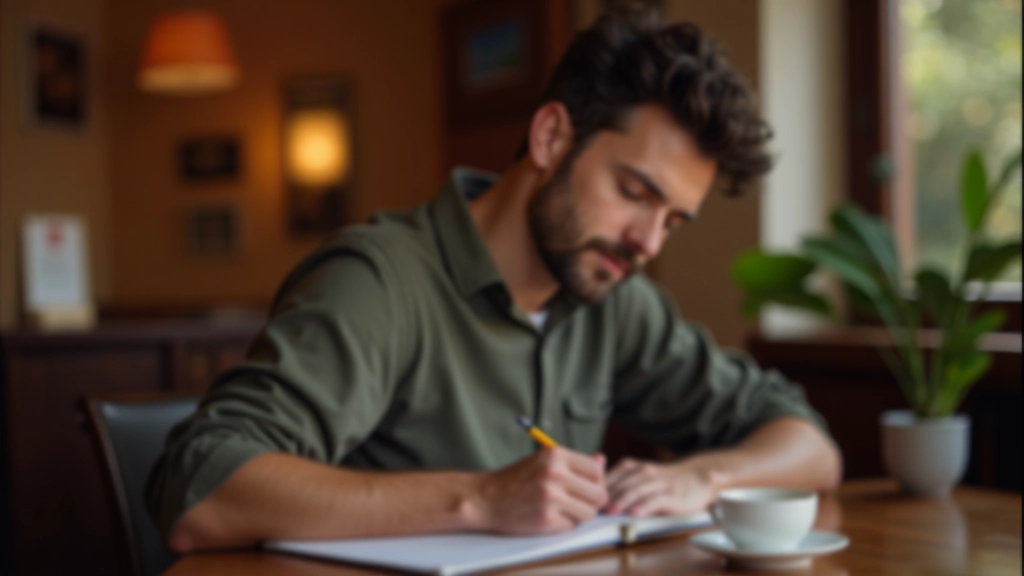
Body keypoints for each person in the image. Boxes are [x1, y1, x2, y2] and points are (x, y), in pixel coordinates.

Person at [147, 5, 841, 553]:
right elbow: (201, 490)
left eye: (674, 222)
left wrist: (702, 476)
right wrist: (478, 499)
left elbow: (810, 446)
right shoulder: (379, 282)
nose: (648, 242)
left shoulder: (614, 297)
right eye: (635, 192)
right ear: (550, 138)